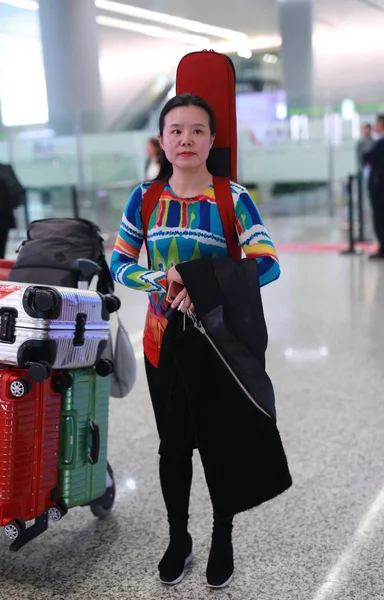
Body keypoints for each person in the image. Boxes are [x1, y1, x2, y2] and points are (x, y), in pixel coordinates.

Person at [110, 94, 285, 589]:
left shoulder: (232, 197)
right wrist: (161, 281)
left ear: (211, 140)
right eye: (176, 131)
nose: (185, 139)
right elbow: (118, 262)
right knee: (172, 447)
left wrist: (201, 284)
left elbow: (267, 262)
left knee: (219, 444)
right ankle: (178, 538)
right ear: (162, 140)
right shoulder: (144, 197)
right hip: (161, 341)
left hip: (217, 344)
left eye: (197, 130)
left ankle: (222, 535)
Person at [364, 115, 384, 259]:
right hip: (377, 185)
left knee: (380, 217)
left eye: (377, 123)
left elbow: (368, 156)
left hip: (379, 187)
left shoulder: (381, 143)